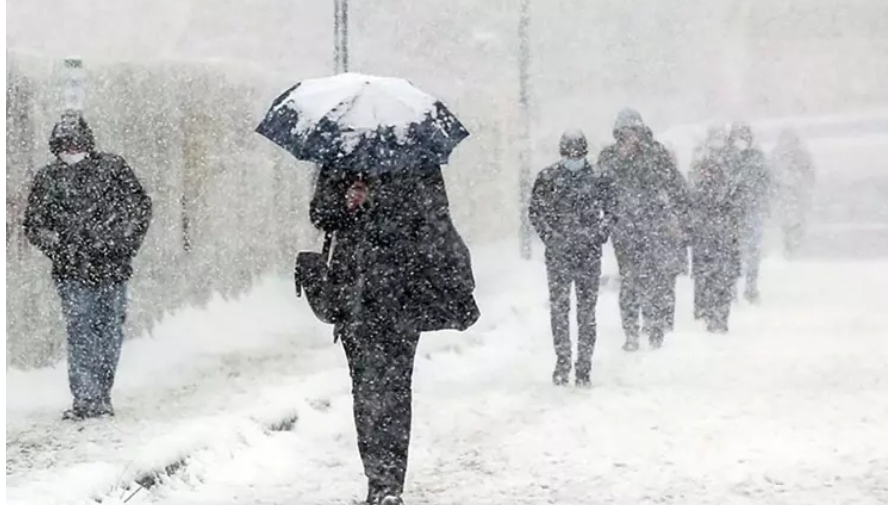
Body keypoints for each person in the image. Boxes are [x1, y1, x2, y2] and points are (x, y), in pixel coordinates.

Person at [310, 161, 479, 505]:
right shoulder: (339, 160)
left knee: (396, 388)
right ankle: (377, 478)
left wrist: (383, 204)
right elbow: (320, 215)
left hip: (402, 293)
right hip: (353, 295)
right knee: (365, 390)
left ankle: (390, 484)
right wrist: (345, 202)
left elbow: (434, 219)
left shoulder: (419, 161)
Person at [23, 110, 153, 420]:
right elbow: (34, 225)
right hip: (72, 271)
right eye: (64, 146)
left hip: (112, 268)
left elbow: (139, 209)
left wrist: (119, 243)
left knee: (108, 333)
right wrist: (62, 246)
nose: (71, 151)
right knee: (81, 331)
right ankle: (85, 399)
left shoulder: (113, 169)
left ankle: (101, 395)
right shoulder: (48, 179)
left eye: (75, 144)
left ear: (87, 143)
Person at [529, 129, 616, 387]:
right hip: (559, 254)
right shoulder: (548, 178)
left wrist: (599, 234)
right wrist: (551, 236)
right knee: (560, 309)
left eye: (577, 153)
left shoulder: (599, 178)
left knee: (586, 311)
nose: (573, 157)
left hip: (588, 253)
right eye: (569, 153)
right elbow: (536, 212)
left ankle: (584, 366)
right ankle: (563, 361)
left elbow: (612, 211)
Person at [598, 108, 689, 351]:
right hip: (624, 229)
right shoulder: (609, 156)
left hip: (653, 226)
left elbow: (676, 185)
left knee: (654, 279)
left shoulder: (655, 153)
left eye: (633, 131)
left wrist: (681, 218)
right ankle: (630, 332)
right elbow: (601, 187)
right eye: (624, 132)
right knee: (629, 280)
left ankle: (654, 326)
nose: (630, 136)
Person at [689, 126, 744, 332]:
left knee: (721, 281)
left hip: (721, 243)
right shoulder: (699, 191)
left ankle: (719, 316)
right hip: (708, 243)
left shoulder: (727, 191)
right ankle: (711, 314)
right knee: (709, 281)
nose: (707, 175)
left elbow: (736, 212)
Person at [728, 122, 769, 303]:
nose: (740, 141)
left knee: (751, 251)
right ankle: (733, 289)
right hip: (734, 211)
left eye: (743, 137)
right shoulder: (729, 158)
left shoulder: (756, 158)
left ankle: (750, 288)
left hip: (751, 209)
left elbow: (766, 182)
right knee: (733, 252)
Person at [770, 128, 815, 257]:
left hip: (797, 195)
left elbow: (810, 174)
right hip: (785, 196)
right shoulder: (777, 155)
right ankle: (789, 247)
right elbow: (771, 176)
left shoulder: (802, 155)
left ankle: (795, 247)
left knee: (797, 223)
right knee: (787, 223)